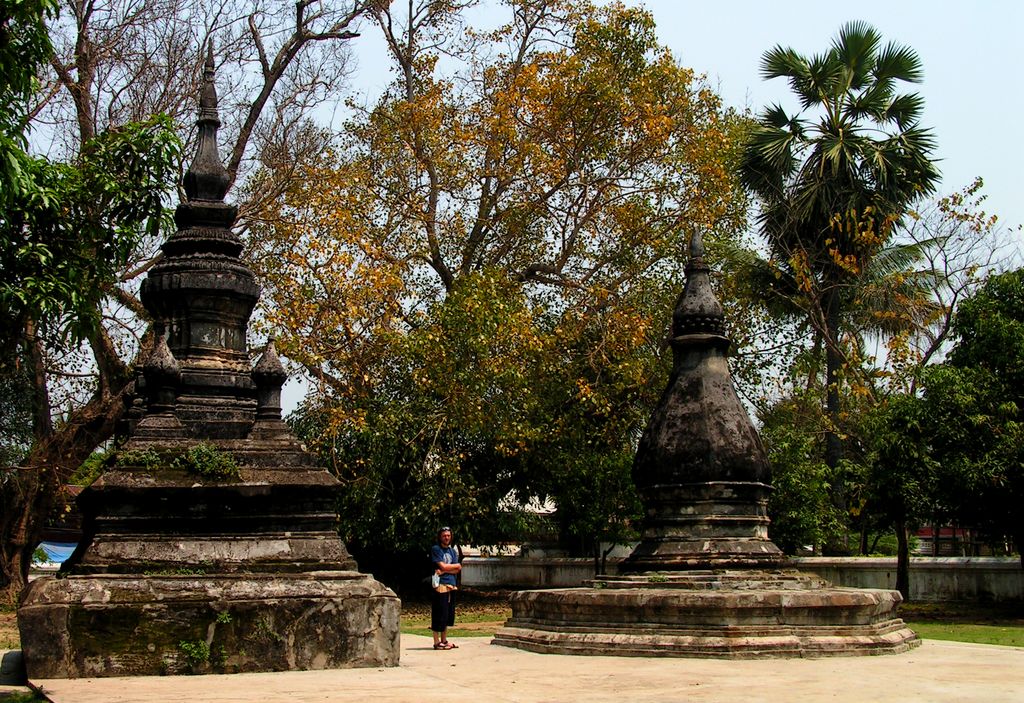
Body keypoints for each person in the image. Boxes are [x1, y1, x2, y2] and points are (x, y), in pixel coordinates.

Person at [430, 526, 461, 650]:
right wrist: (449, 568)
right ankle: (437, 641)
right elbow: (441, 566)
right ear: (440, 537)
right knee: (439, 612)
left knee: (447, 614)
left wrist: (447, 569)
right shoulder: (436, 549)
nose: (446, 537)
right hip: (440, 585)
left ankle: (444, 640)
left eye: (448, 535)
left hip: (451, 585)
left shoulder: (452, 551)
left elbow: (458, 568)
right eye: (444, 535)